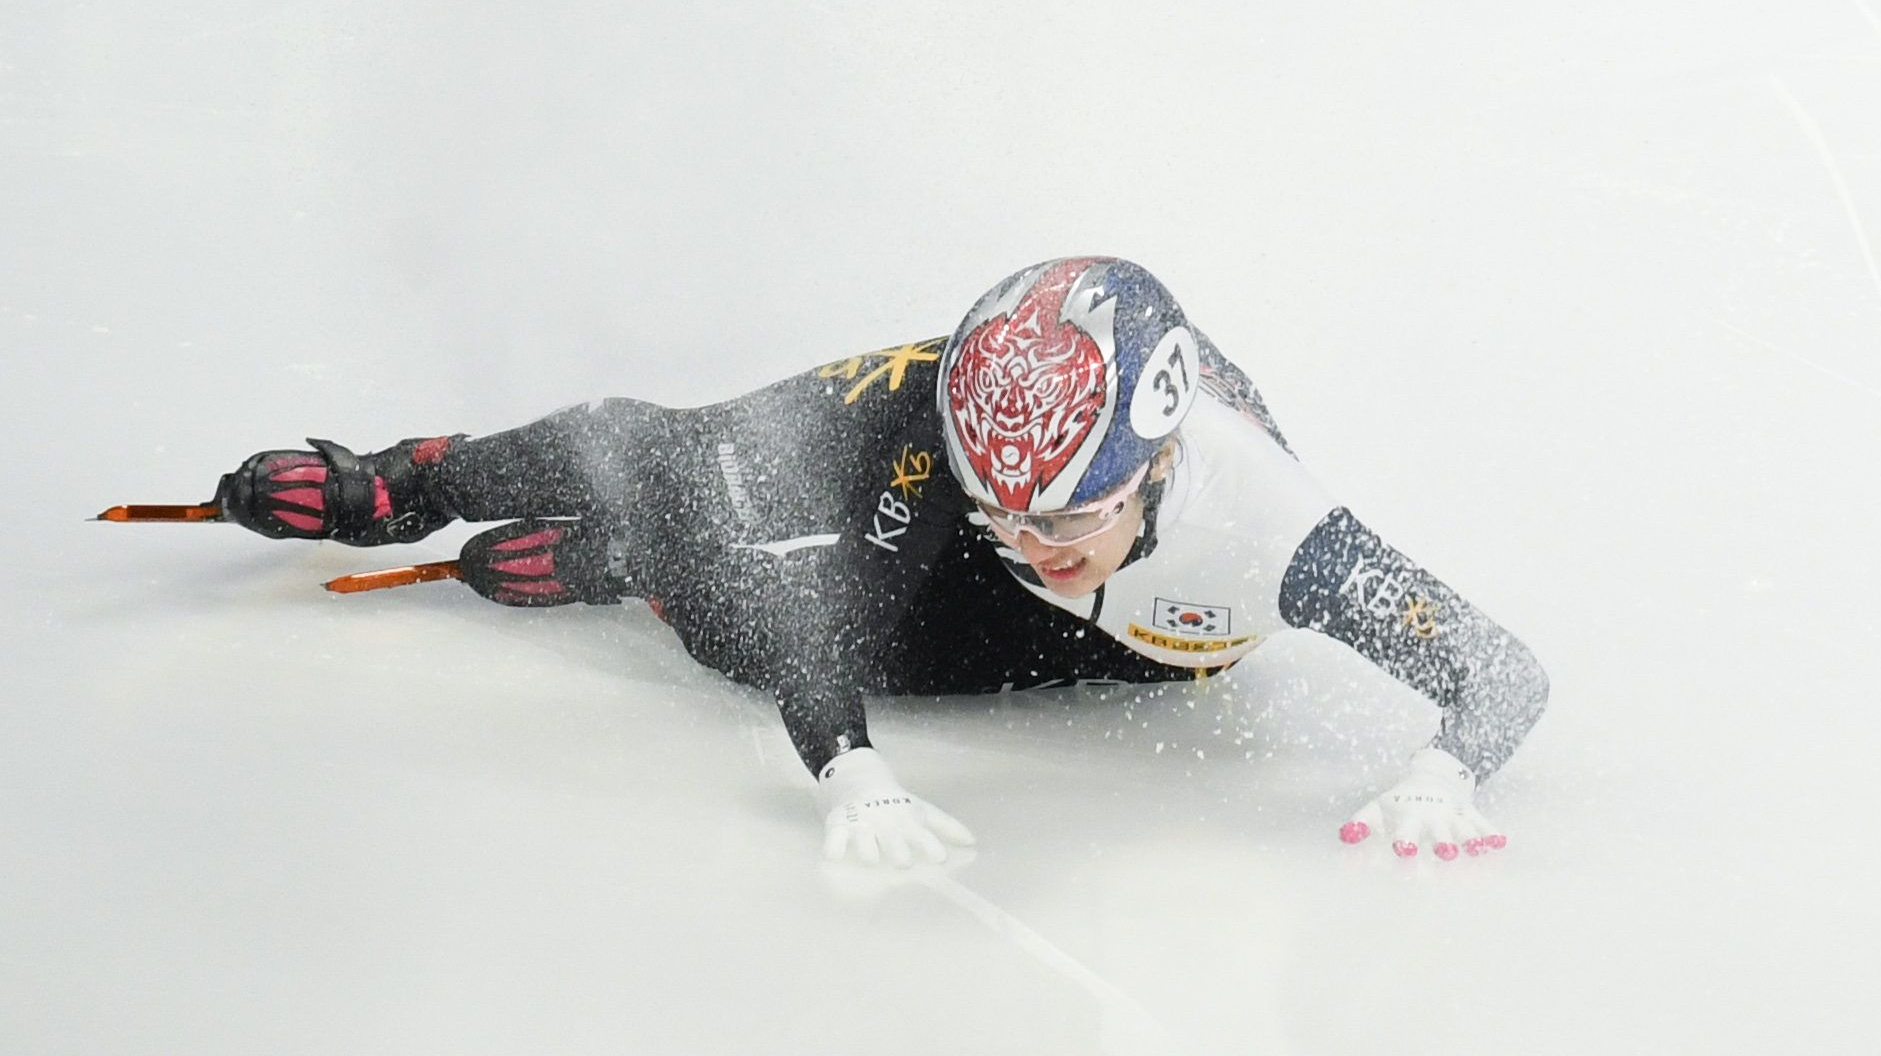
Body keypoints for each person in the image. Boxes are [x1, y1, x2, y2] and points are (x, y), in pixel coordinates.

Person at [188, 256, 1547, 866]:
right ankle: (405, 481)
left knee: (726, 629)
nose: (1027, 545)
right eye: (1000, 513)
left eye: (1060, 523)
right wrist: (850, 765)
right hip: (913, 435)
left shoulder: (1273, 528)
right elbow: (829, 625)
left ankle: (628, 563)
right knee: (666, 455)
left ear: (1153, 469)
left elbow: (1497, 667)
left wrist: (1443, 765)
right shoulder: (962, 445)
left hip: (1130, 652)